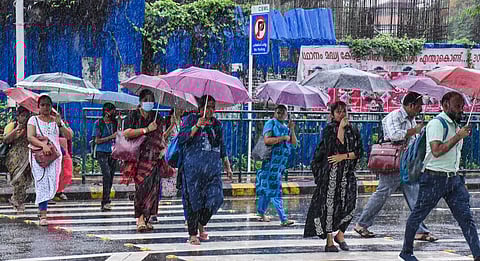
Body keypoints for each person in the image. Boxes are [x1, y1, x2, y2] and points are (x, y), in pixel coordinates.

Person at [399, 92, 480, 261]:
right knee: (418, 215)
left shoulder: (455, 125)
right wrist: (458, 137)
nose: (461, 110)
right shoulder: (437, 123)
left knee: (466, 218)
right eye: (457, 106)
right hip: (434, 178)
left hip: (453, 179)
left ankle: (477, 254)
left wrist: (460, 135)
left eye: (462, 107)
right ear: (444, 105)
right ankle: (406, 252)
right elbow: (436, 151)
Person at [355, 92, 437, 242]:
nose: (420, 109)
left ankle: (420, 230)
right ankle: (362, 223)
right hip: (394, 162)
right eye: (418, 106)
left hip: (407, 162)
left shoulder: (411, 119)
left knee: (414, 195)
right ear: (411, 105)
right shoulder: (395, 116)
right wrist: (414, 131)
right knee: (383, 193)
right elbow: (394, 136)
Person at [304, 101, 363, 252]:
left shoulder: (353, 129)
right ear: (332, 114)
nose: (342, 114)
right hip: (330, 176)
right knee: (329, 207)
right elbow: (332, 149)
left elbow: (359, 152)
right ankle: (329, 240)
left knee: (350, 205)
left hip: (347, 174)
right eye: (338, 112)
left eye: (344, 111)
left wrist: (344, 156)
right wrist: (341, 131)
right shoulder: (329, 129)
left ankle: (341, 234)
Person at [178, 95, 233, 245]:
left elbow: (222, 146)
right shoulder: (190, 119)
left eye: (212, 107)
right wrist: (196, 126)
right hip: (193, 170)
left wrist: (227, 166)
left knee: (217, 198)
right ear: (200, 108)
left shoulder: (217, 125)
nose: (210, 110)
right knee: (193, 202)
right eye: (207, 107)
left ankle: (201, 222)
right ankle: (192, 234)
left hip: (213, 170)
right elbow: (182, 138)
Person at [122, 89, 168, 232]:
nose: (149, 102)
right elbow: (126, 133)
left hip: (154, 157)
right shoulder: (133, 115)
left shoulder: (157, 117)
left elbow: (161, 135)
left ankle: (148, 217)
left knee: (153, 188)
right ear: (140, 101)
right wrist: (146, 130)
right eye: (146, 100)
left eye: (151, 100)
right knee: (141, 187)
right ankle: (140, 218)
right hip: (137, 156)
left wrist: (162, 148)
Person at [27, 95, 73, 225]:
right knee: (42, 183)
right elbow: (30, 137)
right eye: (43, 105)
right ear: (38, 107)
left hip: (54, 157)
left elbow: (69, 135)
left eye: (48, 105)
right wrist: (43, 145)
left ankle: (42, 205)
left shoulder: (56, 121)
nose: (46, 107)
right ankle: (43, 215)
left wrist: (60, 124)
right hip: (38, 156)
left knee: (52, 183)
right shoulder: (33, 119)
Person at [255, 104, 296, 226]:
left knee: (266, 190)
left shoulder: (286, 126)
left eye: (283, 112)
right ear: (274, 113)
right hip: (270, 163)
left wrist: (292, 129)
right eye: (278, 112)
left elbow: (293, 143)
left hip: (279, 166)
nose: (281, 114)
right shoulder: (271, 123)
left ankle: (260, 212)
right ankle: (283, 218)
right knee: (275, 190)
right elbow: (267, 140)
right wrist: (282, 137)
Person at [4, 106, 32, 212]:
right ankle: (16, 200)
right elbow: (6, 140)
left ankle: (18, 201)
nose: (25, 118)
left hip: (27, 156)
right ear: (18, 116)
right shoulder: (12, 126)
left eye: (26, 116)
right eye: (22, 116)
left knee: (26, 181)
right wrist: (16, 130)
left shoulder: (31, 126)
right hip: (14, 157)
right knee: (18, 179)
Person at [94, 103, 118, 211]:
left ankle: (107, 199)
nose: (113, 113)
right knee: (107, 175)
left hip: (112, 152)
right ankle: (105, 201)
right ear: (106, 111)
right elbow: (97, 140)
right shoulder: (99, 123)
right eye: (112, 111)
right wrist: (110, 137)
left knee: (111, 176)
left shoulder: (115, 123)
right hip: (102, 152)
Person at [53, 105, 73, 201]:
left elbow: (70, 135)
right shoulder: (44, 122)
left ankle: (59, 190)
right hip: (50, 151)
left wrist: (60, 124)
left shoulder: (63, 123)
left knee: (66, 172)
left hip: (63, 151)